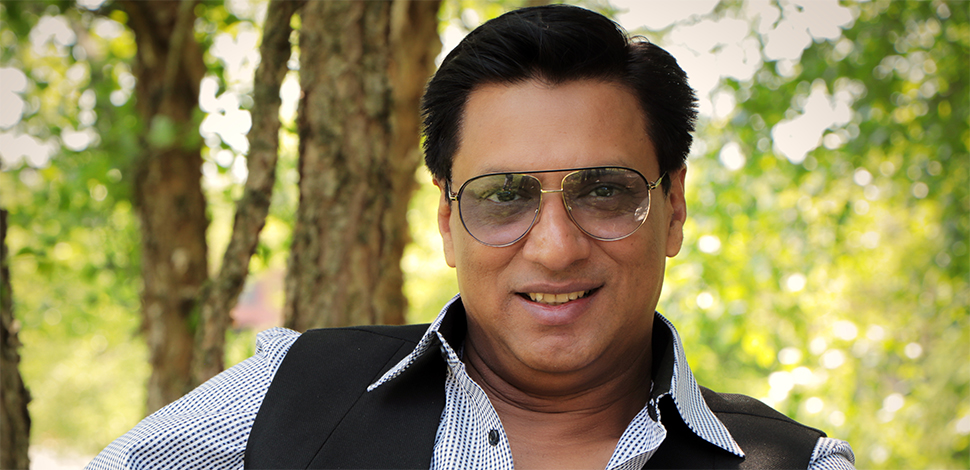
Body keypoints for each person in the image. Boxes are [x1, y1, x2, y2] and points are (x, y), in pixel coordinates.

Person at [87, 5, 855, 469]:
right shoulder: (285, 395)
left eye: (604, 191)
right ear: (447, 221)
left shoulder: (791, 464)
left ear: (674, 207)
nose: (555, 247)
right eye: (503, 196)